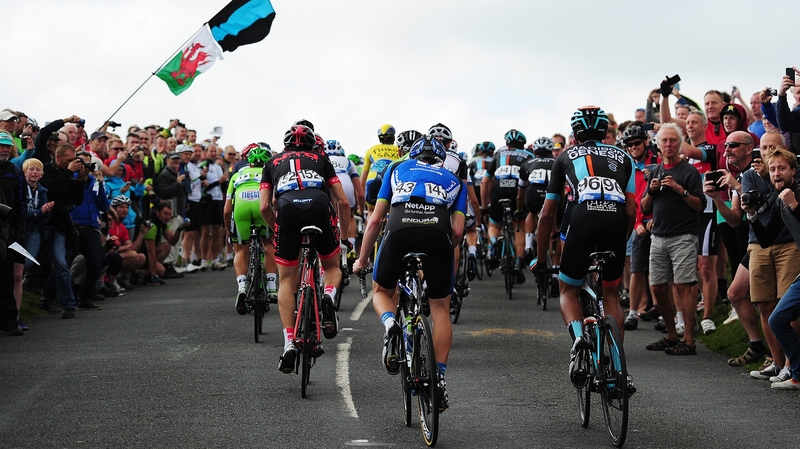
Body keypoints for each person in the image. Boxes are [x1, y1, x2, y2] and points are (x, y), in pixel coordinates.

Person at [353, 136, 466, 411]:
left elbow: (376, 220)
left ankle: (391, 323)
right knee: (440, 309)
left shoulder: (395, 168)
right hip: (437, 234)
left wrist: (361, 260)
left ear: (411, 156)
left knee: (381, 291)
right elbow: (459, 231)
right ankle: (438, 377)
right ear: (440, 160)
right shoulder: (455, 180)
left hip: (398, 230)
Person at [530, 106, 636, 389]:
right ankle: (617, 370)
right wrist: (622, 240)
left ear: (574, 135)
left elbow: (547, 215)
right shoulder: (625, 157)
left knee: (568, 290)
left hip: (581, 218)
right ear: (606, 132)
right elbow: (631, 208)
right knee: (611, 294)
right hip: (615, 222)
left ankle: (578, 337)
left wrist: (541, 259)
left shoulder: (564, 157)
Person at [259, 124, 350, 373]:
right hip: (320, 206)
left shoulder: (272, 162)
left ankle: (289, 342)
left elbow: (265, 207)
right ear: (312, 144)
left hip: (287, 210)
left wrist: (276, 227)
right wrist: (345, 238)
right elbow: (342, 200)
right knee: (332, 266)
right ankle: (328, 296)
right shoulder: (321, 158)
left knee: (287, 280)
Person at [641, 123, 706, 355]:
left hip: (683, 236)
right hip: (658, 237)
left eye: (673, 141)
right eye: (664, 141)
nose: (668, 144)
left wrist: (681, 190)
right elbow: (644, 206)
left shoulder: (688, 172)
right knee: (657, 287)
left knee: (683, 287)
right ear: (658, 145)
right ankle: (671, 334)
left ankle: (688, 340)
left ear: (680, 144)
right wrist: (651, 190)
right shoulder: (656, 171)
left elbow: (700, 205)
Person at [224, 143, 277, 313]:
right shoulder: (271, 172)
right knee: (269, 244)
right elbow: (275, 201)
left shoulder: (237, 174)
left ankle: (242, 287)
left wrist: (228, 231)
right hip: (262, 205)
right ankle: (270, 286)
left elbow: (226, 210)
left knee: (241, 250)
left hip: (241, 207)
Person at [481, 129, 533, 283]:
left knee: (494, 225)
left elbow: (485, 182)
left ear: (507, 144)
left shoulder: (499, 154)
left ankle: (494, 244)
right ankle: (518, 263)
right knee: (519, 226)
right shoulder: (529, 156)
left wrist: (485, 206)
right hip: (517, 192)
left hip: (499, 191)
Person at [619, 125, 654, 330]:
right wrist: (638, 222)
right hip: (635, 220)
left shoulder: (655, 163)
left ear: (645, 143)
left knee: (656, 270)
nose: (633, 147)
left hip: (654, 219)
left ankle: (653, 307)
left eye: (637, 143)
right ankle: (635, 310)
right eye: (629, 144)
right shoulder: (625, 165)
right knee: (636, 268)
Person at [517, 137, 556, 263]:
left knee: (531, 212)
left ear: (535, 151)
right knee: (553, 225)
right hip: (551, 194)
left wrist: (519, 209)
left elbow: (520, 193)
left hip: (533, 194)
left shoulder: (527, 164)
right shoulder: (558, 161)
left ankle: (528, 245)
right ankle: (555, 269)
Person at [141, 201, 189, 286]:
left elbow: (172, 242)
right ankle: (137, 273)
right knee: (161, 270)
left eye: (170, 214)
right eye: (165, 213)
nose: (167, 217)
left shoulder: (163, 224)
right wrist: (154, 275)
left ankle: (147, 273)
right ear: (157, 212)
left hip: (146, 254)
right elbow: (150, 252)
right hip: (142, 254)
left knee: (167, 247)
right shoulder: (151, 225)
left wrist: (179, 230)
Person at [360, 124, 400, 214]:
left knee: (371, 211)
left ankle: (369, 227)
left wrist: (360, 204)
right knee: (391, 211)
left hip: (373, 179)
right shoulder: (399, 149)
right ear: (393, 137)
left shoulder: (371, 149)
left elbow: (362, 179)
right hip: (390, 180)